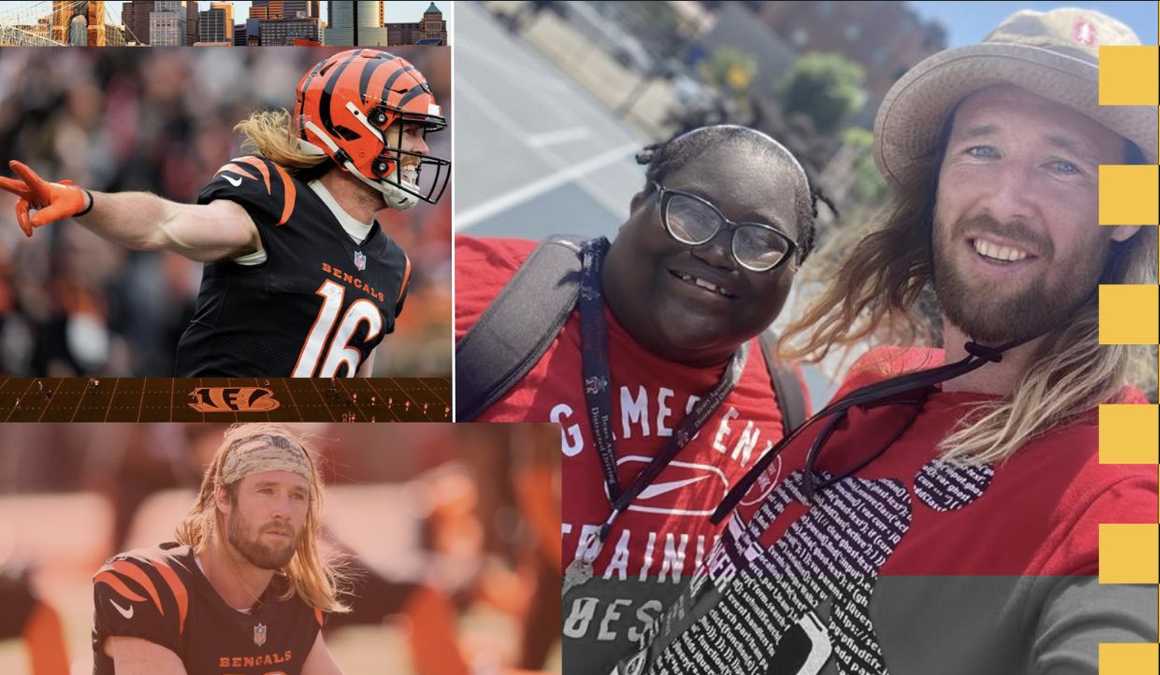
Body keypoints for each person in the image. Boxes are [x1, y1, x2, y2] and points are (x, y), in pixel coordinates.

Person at [613, 8, 1157, 674]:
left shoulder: (1125, 485)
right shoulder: (878, 383)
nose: (1007, 202)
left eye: (1063, 166)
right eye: (982, 149)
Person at [455, 124, 818, 670]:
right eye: (692, 212)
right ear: (636, 206)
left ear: (793, 274)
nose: (720, 253)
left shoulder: (787, 411)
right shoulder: (477, 299)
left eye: (761, 242)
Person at [0, 48, 450, 377]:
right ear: (355, 127)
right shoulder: (277, 197)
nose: (421, 149)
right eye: (408, 131)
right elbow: (166, 222)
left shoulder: (395, 266)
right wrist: (86, 202)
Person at [91, 423, 348, 674]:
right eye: (266, 490)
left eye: (298, 495)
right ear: (223, 497)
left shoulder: (294, 598)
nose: (283, 510)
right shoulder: (146, 584)